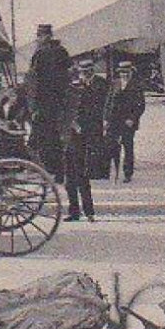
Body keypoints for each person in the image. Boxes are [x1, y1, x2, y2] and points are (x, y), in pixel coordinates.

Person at [17, 24, 71, 180]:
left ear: (47, 36)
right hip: (56, 102)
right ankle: (54, 171)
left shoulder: (42, 54)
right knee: (50, 138)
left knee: (44, 138)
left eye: (40, 36)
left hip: (45, 103)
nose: (38, 39)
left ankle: (47, 170)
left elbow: (36, 81)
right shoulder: (61, 51)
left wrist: (34, 105)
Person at [64, 60, 105, 220]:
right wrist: (71, 122)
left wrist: (82, 126)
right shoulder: (73, 89)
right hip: (71, 137)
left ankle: (89, 212)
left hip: (87, 137)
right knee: (70, 179)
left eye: (87, 71)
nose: (84, 74)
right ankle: (74, 212)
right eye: (82, 71)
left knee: (82, 176)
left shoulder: (98, 86)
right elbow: (67, 109)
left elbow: (98, 111)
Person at [104, 62, 145, 183]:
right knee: (111, 145)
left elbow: (140, 105)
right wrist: (106, 119)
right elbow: (108, 102)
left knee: (128, 147)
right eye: (122, 72)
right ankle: (111, 171)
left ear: (131, 72)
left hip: (128, 122)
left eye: (127, 72)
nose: (124, 74)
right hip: (114, 120)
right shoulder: (115, 83)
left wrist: (132, 119)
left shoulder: (136, 85)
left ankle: (128, 173)